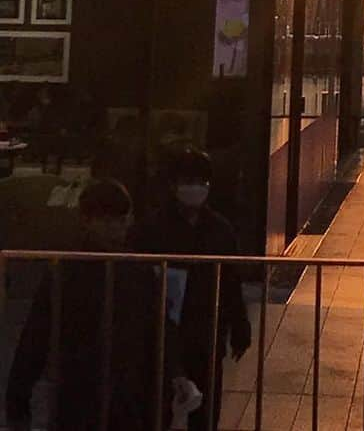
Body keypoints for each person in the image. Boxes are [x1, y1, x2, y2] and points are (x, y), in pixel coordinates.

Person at [6, 178, 181, 430]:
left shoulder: (131, 269)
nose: (115, 229)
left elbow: (158, 324)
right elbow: (37, 334)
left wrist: (176, 372)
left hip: (111, 389)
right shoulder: (74, 270)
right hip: (92, 388)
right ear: (88, 221)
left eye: (120, 221)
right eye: (108, 221)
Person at [130, 146, 251, 431]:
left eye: (201, 182)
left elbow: (231, 280)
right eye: (188, 181)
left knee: (206, 412)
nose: (195, 188)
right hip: (161, 329)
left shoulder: (220, 229)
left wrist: (239, 324)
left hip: (206, 332)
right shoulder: (152, 228)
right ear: (172, 185)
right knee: (156, 407)